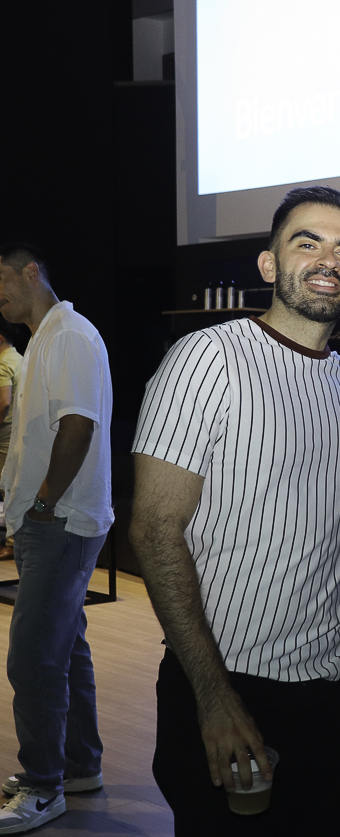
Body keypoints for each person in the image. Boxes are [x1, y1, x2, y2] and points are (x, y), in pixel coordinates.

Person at [128, 186, 340, 835]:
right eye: (308, 242)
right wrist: (214, 696)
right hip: (229, 681)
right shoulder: (208, 358)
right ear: (269, 264)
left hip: (337, 684)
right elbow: (154, 530)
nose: (328, 260)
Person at [0, 243, 112, 834]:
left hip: (60, 521)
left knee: (33, 658)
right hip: (50, 521)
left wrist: (43, 504)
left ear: (31, 272)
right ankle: (77, 766)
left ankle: (44, 786)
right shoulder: (46, 337)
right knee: (64, 648)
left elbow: (78, 426)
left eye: (1, 278)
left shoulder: (67, 334)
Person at [0, 318, 23, 561]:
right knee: (13, 487)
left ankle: (12, 543)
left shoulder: (3, 363)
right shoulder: (20, 359)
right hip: (19, 432)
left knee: (8, 489)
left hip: (4, 433)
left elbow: (4, 402)